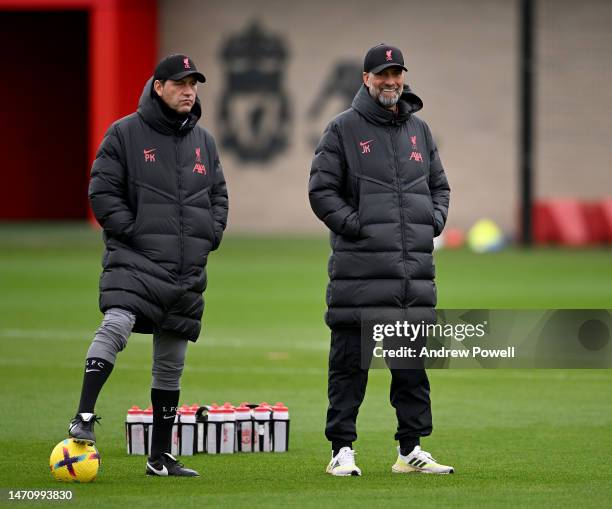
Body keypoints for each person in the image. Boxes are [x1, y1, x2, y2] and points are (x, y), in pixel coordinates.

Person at [68, 54, 228, 477]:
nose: (189, 90)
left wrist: (209, 235)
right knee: (116, 324)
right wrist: (134, 231)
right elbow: (102, 191)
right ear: (158, 86)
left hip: (186, 268)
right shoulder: (124, 133)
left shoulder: (204, 141)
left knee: (171, 359)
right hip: (135, 258)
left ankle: (159, 458)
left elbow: (219, 195)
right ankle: (83, 418)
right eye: (180, 83)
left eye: (193, 83)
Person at [309, 44, 453, 476]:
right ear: (366, 79)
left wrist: (433, 221)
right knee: (349, 368)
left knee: (411, 372)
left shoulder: (419, 131)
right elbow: (321, 191)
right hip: (360, 274)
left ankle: (410, 451)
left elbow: (439, 186)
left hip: (412, 278)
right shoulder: (342, 129)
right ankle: (341, 450)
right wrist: (357, 225)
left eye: (398, 74)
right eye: (382, 74)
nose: (391, 82)